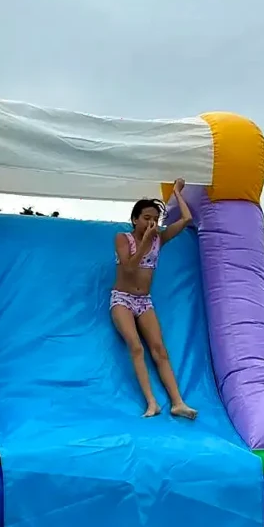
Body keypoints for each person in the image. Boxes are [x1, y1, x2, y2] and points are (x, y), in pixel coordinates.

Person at [110, 178, 197, 419]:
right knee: (136, 347)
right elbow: (129, 268)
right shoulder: (123, 238)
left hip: (144, 301)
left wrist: (177, 193)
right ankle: (152, 403)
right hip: (122, 299)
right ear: (135, 219)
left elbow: (186, 219)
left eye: (155, 219)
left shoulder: (159, 239)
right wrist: (144, 243)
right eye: (146, 218)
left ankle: (178, 403)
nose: (151, 223)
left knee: (160, 350)